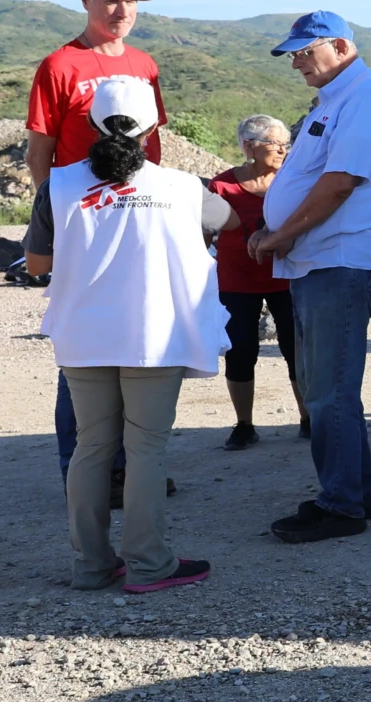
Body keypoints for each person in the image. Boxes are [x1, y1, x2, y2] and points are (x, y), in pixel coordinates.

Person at [33, 77, 228, 594]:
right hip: (153, 335)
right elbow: (226, 220)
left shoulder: (58, 185)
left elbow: (35, 262)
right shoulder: (183, 187)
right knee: (146, 450)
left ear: (92, 123)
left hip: (81, 335)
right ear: (153, 126)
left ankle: (91, 566)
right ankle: (148, 564)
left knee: (91, 447)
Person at [250, 12, 371, 544]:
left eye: (302, 51)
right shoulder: (340, 97)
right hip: (325, 259)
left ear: (339, 46)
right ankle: (361, 492)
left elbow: (340, 183)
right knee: (330, 387)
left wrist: (280, 233)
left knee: (327, 391)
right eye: (290, 54)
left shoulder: (363, 97)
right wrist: (275, 229)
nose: (295, 62)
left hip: (343, 259)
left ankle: (341, 506)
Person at [26, 0, 169, 483]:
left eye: (129, 1)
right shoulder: (60, 65)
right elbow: (40, 151)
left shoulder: (144, 64)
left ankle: (132, 469)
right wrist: (54, 220)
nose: (121, 10)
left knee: (136, 338)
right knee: (84, 344)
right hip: (84, 223)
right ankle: (84, 468)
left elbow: (152, 147)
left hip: (137, 223)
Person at [207, 115, 307, 449]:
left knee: (297, 349)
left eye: (285, 144)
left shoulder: (292, 181)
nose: (283, 150)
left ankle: (309, 418)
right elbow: (203, 235)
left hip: (287, 278)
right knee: (240, 352)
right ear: (250, 146)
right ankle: (244, 424)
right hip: (236, 282)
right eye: (275, 143)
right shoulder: (221, 187)